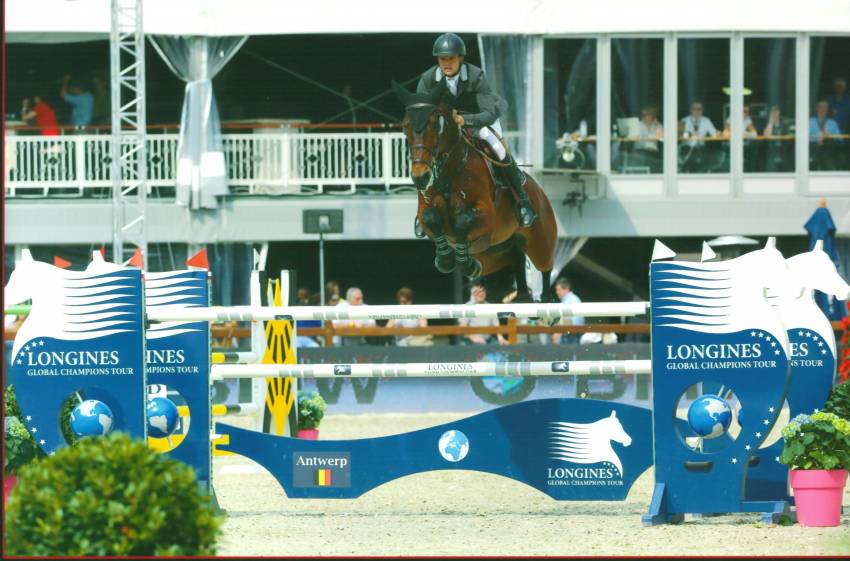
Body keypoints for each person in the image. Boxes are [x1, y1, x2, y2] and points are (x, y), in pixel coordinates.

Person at [415, 33, 537, 229]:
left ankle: (522, 201)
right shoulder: (428, 80)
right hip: (447, 126)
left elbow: (488, 113)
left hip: (479, 120)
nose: (447, 63)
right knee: (421, 153)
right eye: (443, 59)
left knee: (498, 148)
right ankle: (422, 209)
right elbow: (420, 112)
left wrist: (466, 120)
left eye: (451, 58)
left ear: (460, 58)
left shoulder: (475, 75)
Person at [809, 100, 843, 171]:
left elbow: (840, 139)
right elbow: (804, 137)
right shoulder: (810, 122)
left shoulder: (833, 123)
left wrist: (830, 136)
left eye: (825, 108)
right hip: (813, 148)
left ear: (827, 110)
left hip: (829, 149)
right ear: (817, 109)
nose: (823, 110)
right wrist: (817, 138)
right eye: (821, 107)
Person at [551, 277, 585, 345]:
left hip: (572, 338)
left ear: (566, 289)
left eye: (558, 290)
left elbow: (575, 324)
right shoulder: (567, 301)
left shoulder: (572, 301)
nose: (557, 292)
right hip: (568, 335)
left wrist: (559, 335)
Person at [762, 105, 794, 172]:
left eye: (776, 111)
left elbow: (788, 134)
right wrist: (771, 122)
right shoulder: (767, 122)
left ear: (779, 112)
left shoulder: (784, 121)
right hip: (771, 149)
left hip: (783, 148)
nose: (774, 113)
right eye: (773, 112)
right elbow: (766, 135)